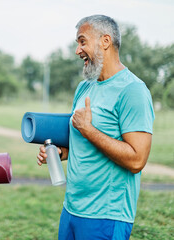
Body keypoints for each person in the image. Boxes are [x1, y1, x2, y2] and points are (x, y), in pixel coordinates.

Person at [37, 15, 154, 240]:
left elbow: (136, 160)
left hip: (106, 217)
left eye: (82, 42)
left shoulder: (133, 91)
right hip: (72, 209)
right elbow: (82, 145)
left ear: (105, 41)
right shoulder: (84, 88)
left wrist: (89, 130)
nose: (77, 50)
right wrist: (60, 153)